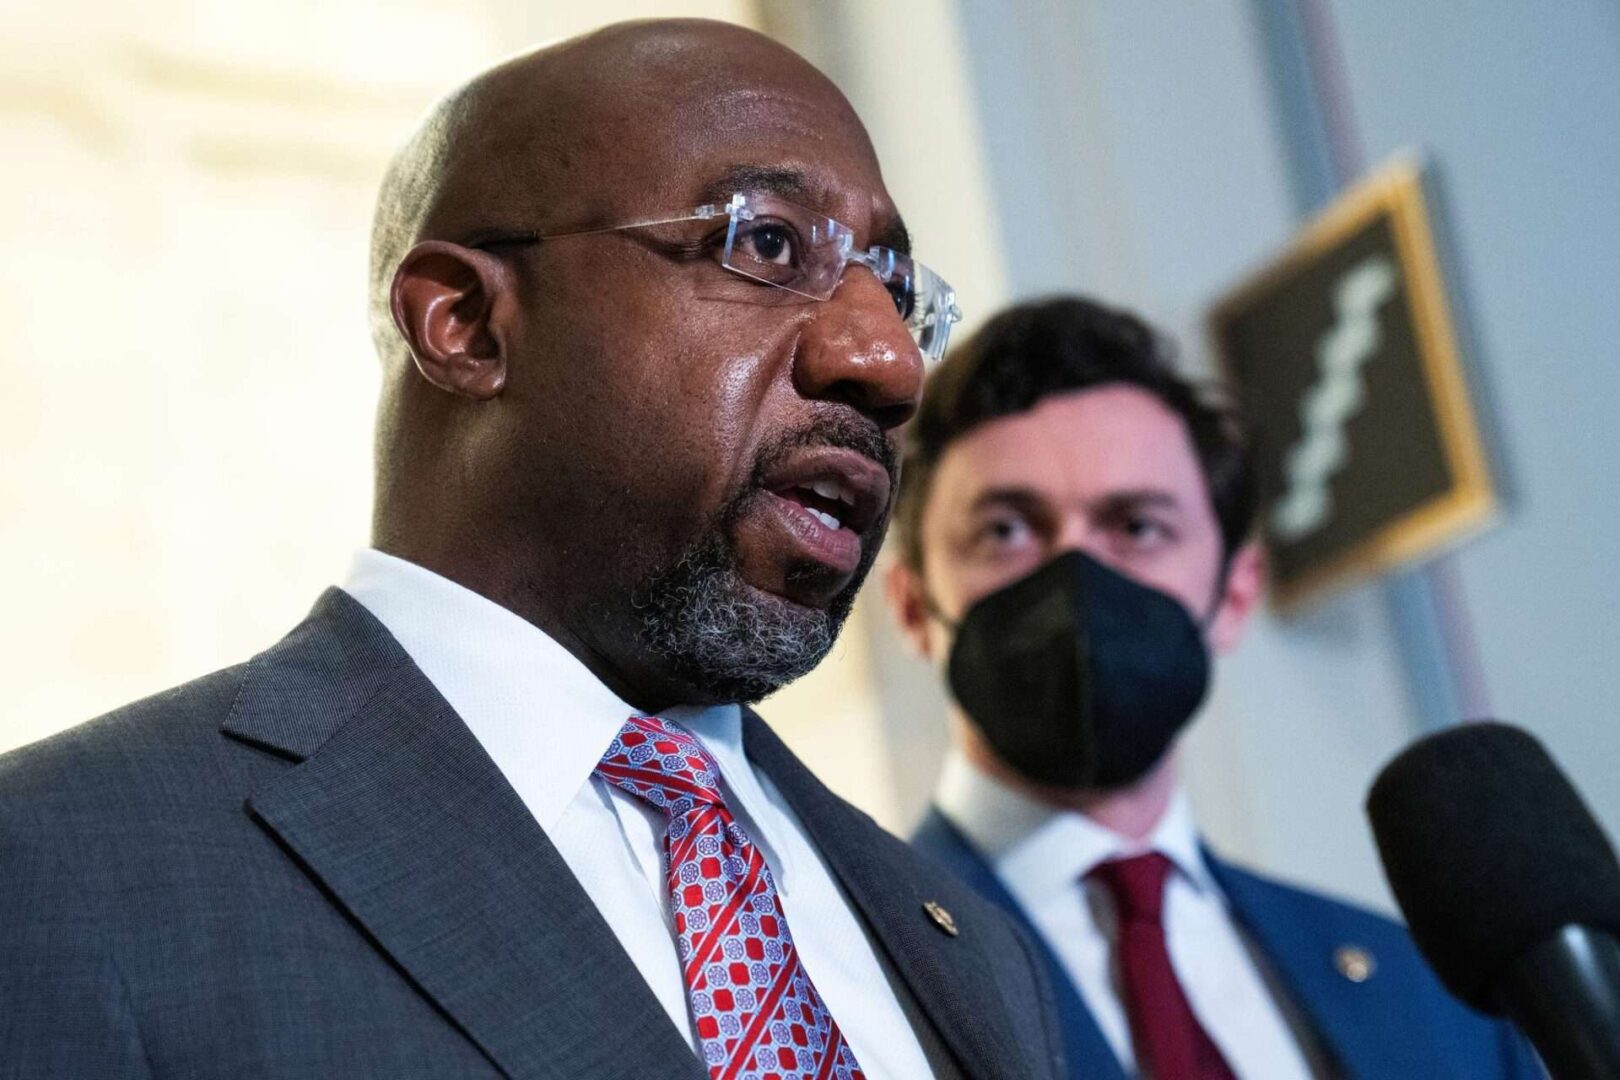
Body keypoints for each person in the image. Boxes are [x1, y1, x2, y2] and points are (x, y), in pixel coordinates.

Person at [0, 21, 1063, 1080]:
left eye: (898, 291)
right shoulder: (62, 867)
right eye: (770, 243)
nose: (887, 362)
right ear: (465, 324)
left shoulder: (976, 955)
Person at [886, 296, 1541, 1079]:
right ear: (915, 607)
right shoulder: (846, 968)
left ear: (1233, 596)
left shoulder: (1438, 996)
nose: (1077, 577)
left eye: (1137, 527)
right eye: (1007, 530)